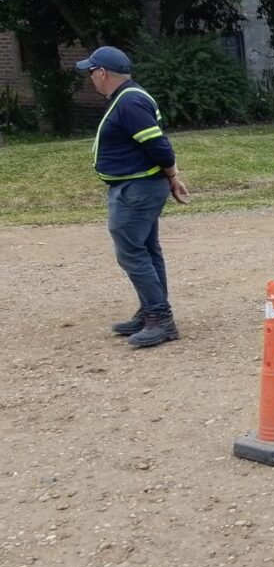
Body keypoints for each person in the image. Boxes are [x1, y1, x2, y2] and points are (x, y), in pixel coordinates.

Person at [76, 46, 189, 347]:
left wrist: (173, 176)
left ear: (102, 73)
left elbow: (159, 146)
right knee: (147, 250)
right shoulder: (130, 98)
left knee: (131, 251)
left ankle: (160, 317)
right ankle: (150, 311)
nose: (90, 78)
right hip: (140, 186)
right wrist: (171, 178)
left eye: (91, 72)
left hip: (136, 189)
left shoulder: (129, 102)